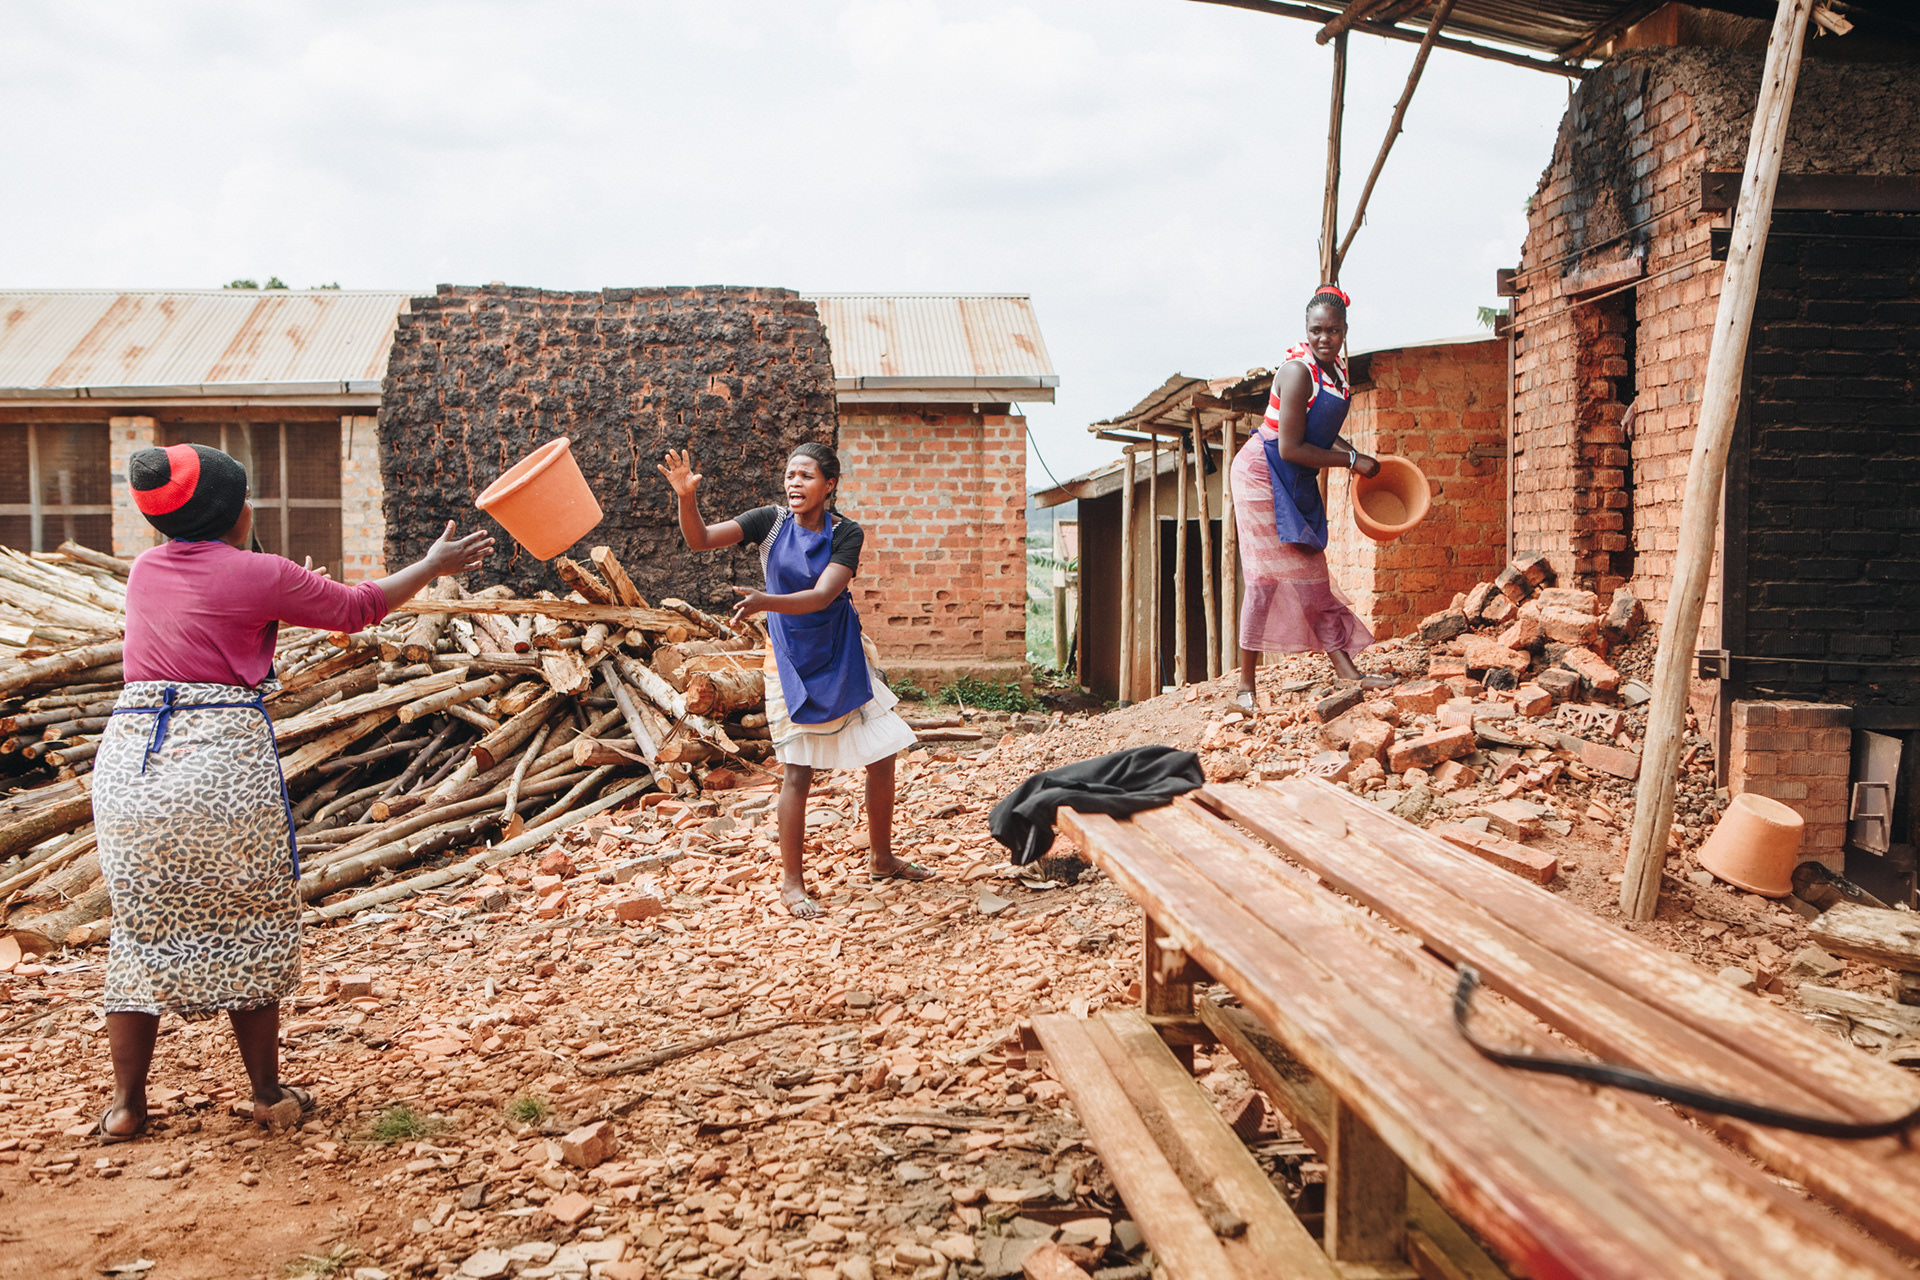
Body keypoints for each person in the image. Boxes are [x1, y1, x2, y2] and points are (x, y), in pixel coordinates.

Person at [94, 443, 492, 1143]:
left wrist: (275, 585)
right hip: (217, 767)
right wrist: (433, 566)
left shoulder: (145, 571)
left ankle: (127, 1107)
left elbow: (215, 613)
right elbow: (359, 607)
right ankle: (268, 1094)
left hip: (131, 765)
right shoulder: (261, 573)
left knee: (140, 930)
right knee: (248, 921)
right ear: (234, 511)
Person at [658, 442, 925, 919]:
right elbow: (700, 540)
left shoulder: (847, 533)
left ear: (830, 485)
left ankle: (882, 858)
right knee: (798, 771)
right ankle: (791, 883)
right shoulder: (769, 521)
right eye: (789, 475)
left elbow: (824, 595)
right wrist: (684, 497)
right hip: (789, 659)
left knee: (883, 753)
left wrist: (764, 602)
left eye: (805, 476)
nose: (794, 483)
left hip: (841, 651)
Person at [1231, 284, 1394, 709]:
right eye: (1317, 330)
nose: (1325, 338)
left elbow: (1316, 433)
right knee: (1265, 578)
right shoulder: (1299, 371)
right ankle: (1245, 689)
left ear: (1344, 331)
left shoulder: (1336, 371)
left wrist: (1353, 452)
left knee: (1311, 569)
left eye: (1334, 331)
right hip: (1262, 473)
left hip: (1295, 473)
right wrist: (1349, 461)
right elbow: (1289, 446)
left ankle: (1346, 671)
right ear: (1307, 329)